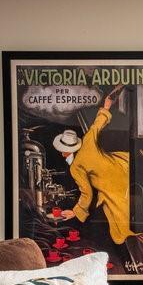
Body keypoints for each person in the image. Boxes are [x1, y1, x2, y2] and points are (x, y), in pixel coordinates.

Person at [53, 95, 135, 245]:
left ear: (65, 151)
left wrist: (75, 212)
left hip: (112, 188)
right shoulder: (87, 141)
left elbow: (87, 194)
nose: (61, 153)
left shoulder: (75, 168)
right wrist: (106, 107)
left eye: (62, 150)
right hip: (124, 166)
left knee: (121, 230)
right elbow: (97, 125)